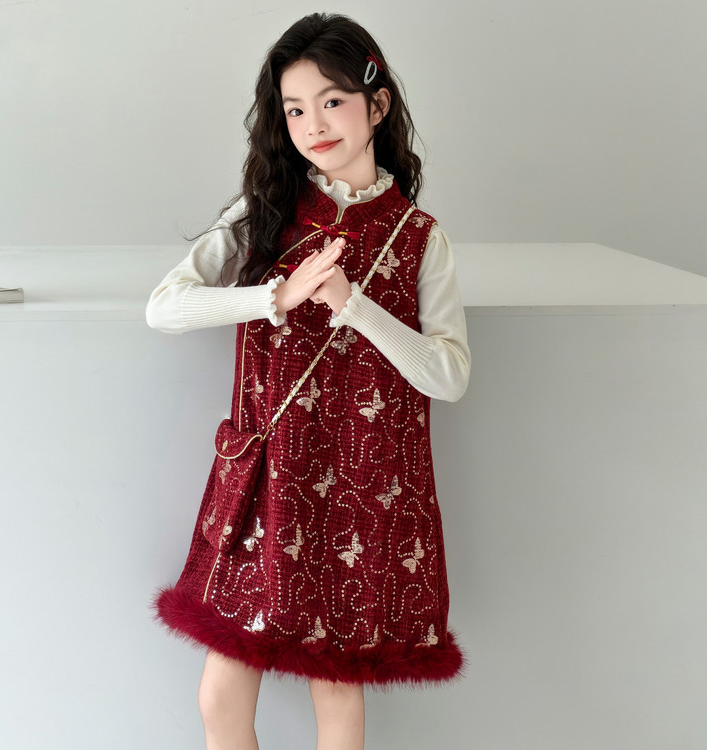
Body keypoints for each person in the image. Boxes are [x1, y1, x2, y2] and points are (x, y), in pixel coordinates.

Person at [146, 12, 471, 750]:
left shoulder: (420, 238)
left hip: (364, 489)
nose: (313, 125)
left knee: (338, 699)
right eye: (294, 109)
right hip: (267, 481)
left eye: (331, 101)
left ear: (376, 105)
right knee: (220, 697)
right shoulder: (264, 212)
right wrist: (276, 296)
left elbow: (450, 375)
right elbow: (164, 307)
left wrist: (355, 307)